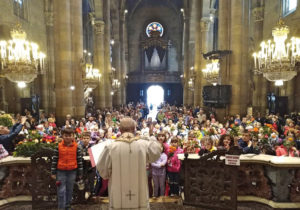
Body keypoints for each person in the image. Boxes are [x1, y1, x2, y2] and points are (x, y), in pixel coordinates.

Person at [97, 117, 161, 210]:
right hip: (140, 195)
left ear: (120, 129)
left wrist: (109, 174)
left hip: (118, 195)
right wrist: (151, 136)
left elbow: (103, 171)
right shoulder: (143, 145)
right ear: (134, 129)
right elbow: (156, 152)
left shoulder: (111, 147)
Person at [51, 128, 83, 210]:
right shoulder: (58, 147)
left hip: (72, 172)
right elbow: (55, 160)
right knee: (61, 191)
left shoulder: (77, 147)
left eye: (70, 136)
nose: (68, 137)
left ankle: (67, 206)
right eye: (66, 136)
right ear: (62, 136)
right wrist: (53, 172)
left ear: (73, 136)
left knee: (70, 190)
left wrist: (80, 173)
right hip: (60, 172)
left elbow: (79, 161)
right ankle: (61, 208)